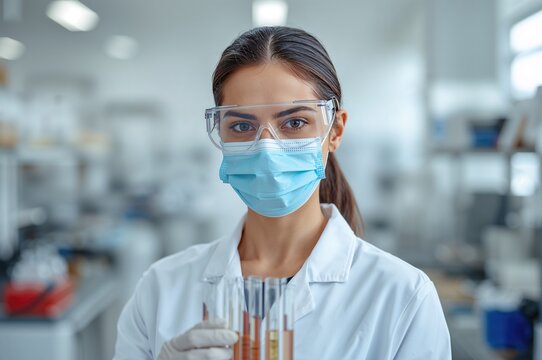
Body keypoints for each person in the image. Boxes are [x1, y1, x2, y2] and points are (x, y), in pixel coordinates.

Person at [114, 26, 451, 360]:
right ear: (221, 135)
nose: (267, 148)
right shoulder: (161, 289)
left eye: (294, 123)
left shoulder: (403, 296)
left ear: (335, 130)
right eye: (242, 126)